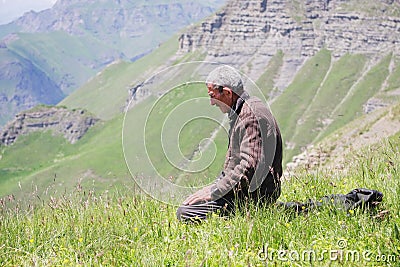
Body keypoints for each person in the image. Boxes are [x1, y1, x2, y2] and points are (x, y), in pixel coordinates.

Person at [176, 65, 283, 221]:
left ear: (227, 92)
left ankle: (261, 212)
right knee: (191, 205)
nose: (211, 102)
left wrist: (215, 191)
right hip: (243, 191)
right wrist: (215, 187)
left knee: (186, 213)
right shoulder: (241, 110)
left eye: (212, 95)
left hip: (255, 196)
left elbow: (248, 168)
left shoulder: (250, 117)